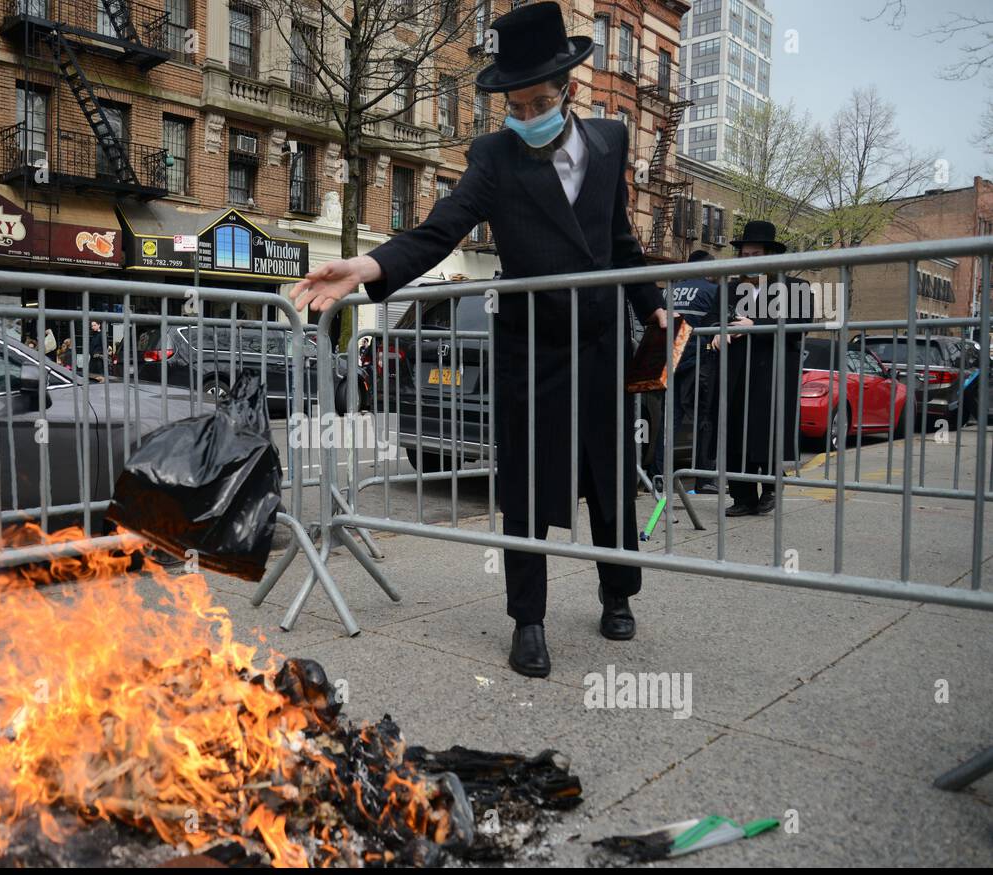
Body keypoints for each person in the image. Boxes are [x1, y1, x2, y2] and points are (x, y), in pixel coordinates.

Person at [290, 2, 670, 679]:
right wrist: (366, 266)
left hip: (602, 342)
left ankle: (619, 594)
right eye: (514, 107)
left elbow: (620, 241)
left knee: (611, 480)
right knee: (524, 488)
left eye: (538, 103)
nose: (526, 117)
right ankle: (528, 620)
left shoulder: (610, 144)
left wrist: (657, 309)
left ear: (570, 91)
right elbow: (442, 228)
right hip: (530, 348)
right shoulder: (493, 158)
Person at [710, 220, 811, 516]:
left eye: (756, 255)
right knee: (734, 433)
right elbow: (710, 319)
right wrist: (718, 330)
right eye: (745, 255)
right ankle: (742, 496)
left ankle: (769, 490)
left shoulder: (794, 287)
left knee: (764, 433)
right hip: (735, 372)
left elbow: (799, 324)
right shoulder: (730, 288)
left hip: (771, 374)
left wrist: (756, 324)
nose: (750, 261)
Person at [654, 250, 721, 493]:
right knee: (704, 419)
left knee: (668, 421)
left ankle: (660, 476)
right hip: (699, 361)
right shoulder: (712, 291)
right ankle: (703, 478)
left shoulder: (667, 290)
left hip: (670, 361)